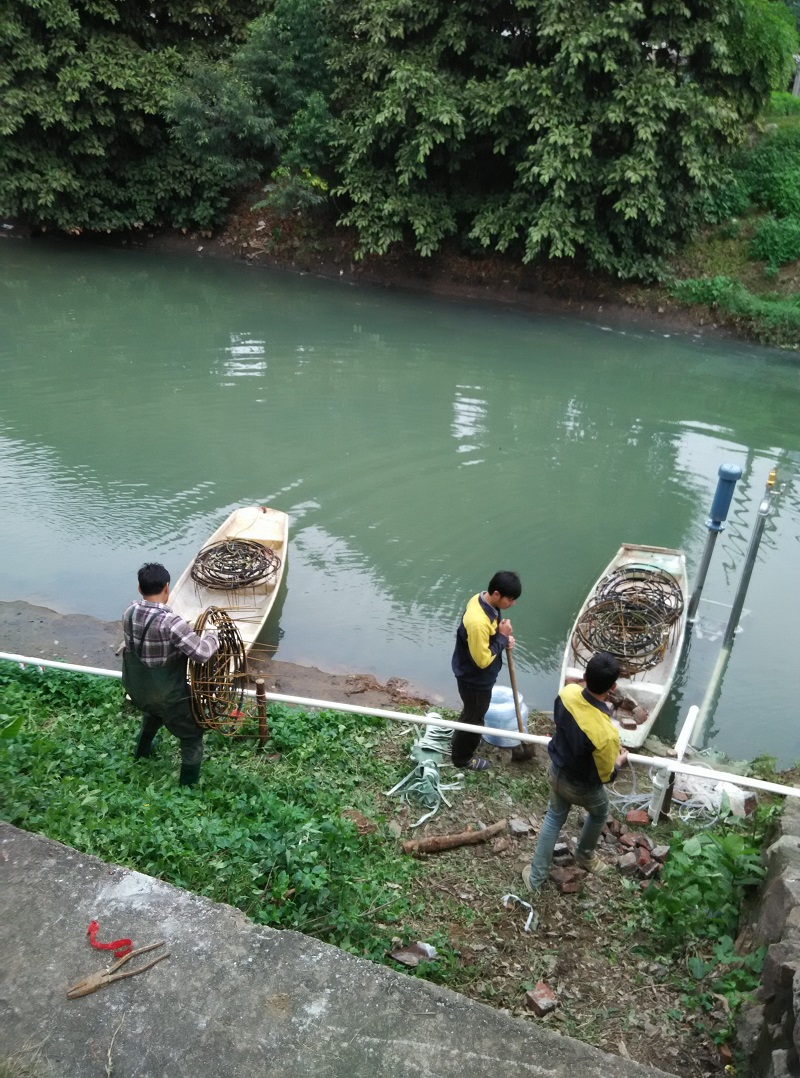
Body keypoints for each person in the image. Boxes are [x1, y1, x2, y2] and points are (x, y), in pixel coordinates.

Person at [521, 650, 627, 898]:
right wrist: (619, 762)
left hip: (556, 770)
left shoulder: (567, 694)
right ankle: (585, 854)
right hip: (582, 786)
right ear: (613, 687)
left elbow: (566, 712)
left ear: (584, 676)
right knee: (600, 811)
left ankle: (535, 878)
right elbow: (605, 776)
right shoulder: (606, 734)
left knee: (554, 818)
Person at [122, 562, 220, 786]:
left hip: (137, 688)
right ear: (167, 587)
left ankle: (141, 753)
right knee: (192, 735)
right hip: (167, 695)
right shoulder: (171, 622)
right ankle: (188, 785)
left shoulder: (130, 612)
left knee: (153, 713)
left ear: (140, 588)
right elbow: (202, 654)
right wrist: (214, 636)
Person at [450, 570, 521, 772]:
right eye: (510, 599)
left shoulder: (481, 600)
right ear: (497, 594)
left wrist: (503, 638)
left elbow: (491, 635)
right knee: (475, 717)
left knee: (471, 712)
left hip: (471, 675)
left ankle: (460, 739)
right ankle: (462, 758)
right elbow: (481, 661)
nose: (512, 604)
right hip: (474, 679)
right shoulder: (478, 622)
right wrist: (500, 638)